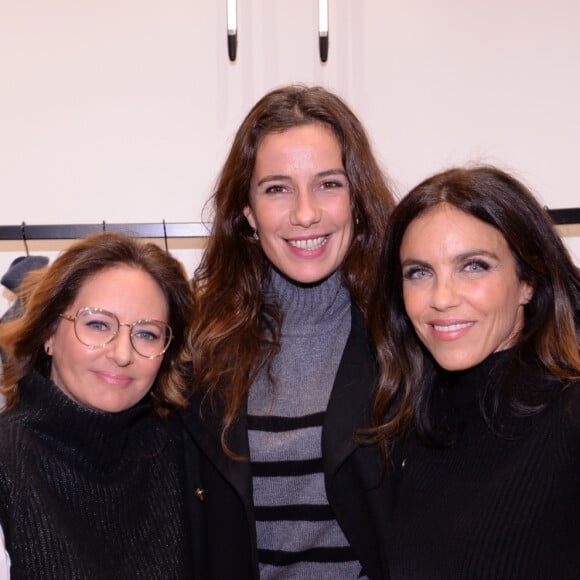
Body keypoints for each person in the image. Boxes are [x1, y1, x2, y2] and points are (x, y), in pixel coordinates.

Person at [181, 84, 396, 579]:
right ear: (247, 213)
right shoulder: (198, 350)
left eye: (329, 184)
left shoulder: (403, 336)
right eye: (277, 188)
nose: (305, 213)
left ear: (358, 199)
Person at [367, 165, 580, 579]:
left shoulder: (571, 418)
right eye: (419, 272)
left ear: (528, 282)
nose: (442, 298)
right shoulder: (415, 428)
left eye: (474, 266)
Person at [0, 232, 195, 579]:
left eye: (147, 333)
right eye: (97, 325)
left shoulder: (185, 453)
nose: (122, 354)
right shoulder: (7, 459)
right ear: (48, 333)